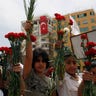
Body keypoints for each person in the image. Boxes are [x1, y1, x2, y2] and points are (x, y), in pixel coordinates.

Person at [21, 21, 56, 96]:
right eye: (38, 61)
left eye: (43, 61)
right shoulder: (29, 75)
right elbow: (28, 57)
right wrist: (28, 33)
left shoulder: (51, 82)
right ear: (33, 62)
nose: (41, 63)